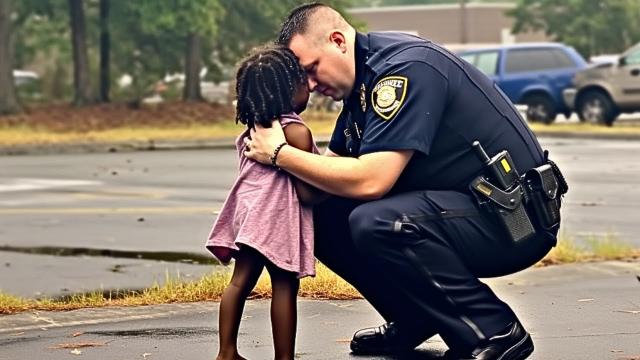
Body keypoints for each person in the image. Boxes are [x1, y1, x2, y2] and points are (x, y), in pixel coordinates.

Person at [243, 3, 565, 360]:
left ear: (338, 41)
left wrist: (279, 154)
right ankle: (414, 317)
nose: (312, 86)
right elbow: (329, 170)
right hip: (470, 211)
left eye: (312, 70)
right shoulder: (362, 83)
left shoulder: (404, 69)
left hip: (514, 222)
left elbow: (371, 182)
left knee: (381, 221)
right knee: (316, 210)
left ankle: (494, 330)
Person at [205, 44, 322, 360]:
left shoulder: (250, 133)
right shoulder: (296, 132)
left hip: (248, 218)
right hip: (276, 220)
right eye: (302, 82)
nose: (308, 87)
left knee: (239, 282)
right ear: (287, 91)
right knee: (284, 286)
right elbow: (307, 192)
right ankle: (284, 358)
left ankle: (226, 352)